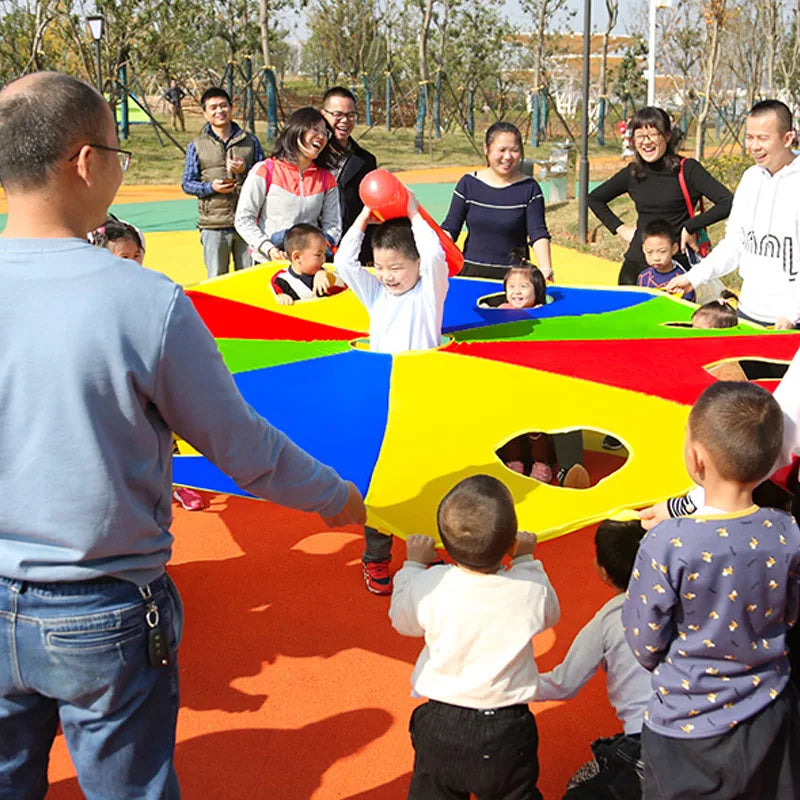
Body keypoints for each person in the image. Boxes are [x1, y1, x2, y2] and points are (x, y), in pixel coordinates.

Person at [0, 71, 366, 799]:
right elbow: (243, 449)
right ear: (84, 162)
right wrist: (339, 497)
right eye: (116, 151)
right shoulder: (143, 300)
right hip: (102, 609)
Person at [622, 382, 800, 799]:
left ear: (696, 457)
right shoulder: (788, 531)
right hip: (770, 709)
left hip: (687, 723)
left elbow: (644, 641)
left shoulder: (667, 543)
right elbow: (790, 613)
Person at [389, 474, 559, 800]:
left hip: (441, 724)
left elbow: (402, 620)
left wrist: (411, 566)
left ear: (445, 543)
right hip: (508, 727)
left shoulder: (432, 584)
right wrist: (526, 560)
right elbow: (550, 613)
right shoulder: (527, 587)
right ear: (510, 543)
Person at [334, 191, 449, 594]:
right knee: (382, 480)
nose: (387, 275)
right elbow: (344, 262)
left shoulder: (428, 296)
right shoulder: (377, 296)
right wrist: (365, 214)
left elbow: (437, 257)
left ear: (416, 264)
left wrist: (415, 213)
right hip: (382, 402)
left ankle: (425, 547)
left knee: (427, 478)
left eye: (396, 266)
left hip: (421, 399)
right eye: (380, 267)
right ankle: (377, 557)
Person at [90, 217, 208, 512]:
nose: (131, 262)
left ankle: (180, 483)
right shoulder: (94, 291)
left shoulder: (152, 286)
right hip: (114, 376)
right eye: (123, 257)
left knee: (163, 429)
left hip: (150, 371)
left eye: (135, 255)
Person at [536, 518, 650, 799]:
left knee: (578, 785)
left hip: (650, 744)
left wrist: (507, 682)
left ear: (603, 571)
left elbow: (564, 683)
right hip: (709, 732)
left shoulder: (609, 619)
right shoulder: (688, 597)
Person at [666, 100, 800, 329]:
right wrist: (694, 277)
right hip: (749, 314)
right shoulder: (750, 178)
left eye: (763, 138)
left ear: (787, 138)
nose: (754, 146)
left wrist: (791, 313)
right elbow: (735, 244)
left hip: (789, 321)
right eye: (750, 137)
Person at [588, 106, 733, 285]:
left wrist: (690, 226)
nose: (646, 142)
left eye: (653, 135)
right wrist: (620, 228)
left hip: (677, 268)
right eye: (640, 136)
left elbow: (728, 202)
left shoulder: (687, 169)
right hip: (636, 266)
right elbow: (594, 198)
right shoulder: (633, 172)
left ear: (667, 136)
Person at [441, 121, 554, 281]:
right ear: (486, 149)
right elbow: (450, 228)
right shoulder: (468, 184)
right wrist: (431, 260)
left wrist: (545, 268)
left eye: (514, 150)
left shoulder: (530, 188)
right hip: (471, 276)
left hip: (514, 280)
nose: (507, 157)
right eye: (501, 150)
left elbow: (538, 233)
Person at [235, 107, 341, 263]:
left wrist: (322, 246)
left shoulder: (327, 179)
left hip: (308, 267)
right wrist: (268, 248)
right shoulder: (265, 170)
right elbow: (244, 219)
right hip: (267, 264)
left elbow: (333, 225)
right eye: (315, 129)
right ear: (296, 130)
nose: (321, 136)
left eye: (325, 133)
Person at [182, 87, 264, 279]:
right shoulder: (197, 145)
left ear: (231, 108)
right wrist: (211, 187)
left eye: (223, 106)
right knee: (217, 279)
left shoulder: (250, 141)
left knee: (249, 279)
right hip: (214, 224)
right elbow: (187, 183)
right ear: (205, 113)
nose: (219, 111)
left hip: (247, 221)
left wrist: (245, 170)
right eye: (213, 108)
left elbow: (265, 178)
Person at [321, 86, 378, 261]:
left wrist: (370, 253)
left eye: (350, 115)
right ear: (323, 114)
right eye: (337, 115)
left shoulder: (365, 161)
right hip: (313, 249)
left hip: (350, 249)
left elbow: (368, 208)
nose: (344, 121)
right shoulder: (311, 155)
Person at [271, 223, 346, 305]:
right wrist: (281, 296)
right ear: (297, 257)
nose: (323, 259)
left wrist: (328, 277)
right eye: (318, 255)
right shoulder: (281, 280)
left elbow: (345, 286)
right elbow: (271, 296)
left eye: (324, 254)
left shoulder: (323, 273)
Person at [636, 219, 695, 302]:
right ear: (643, 249)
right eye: (649, 252)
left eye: (662, 251)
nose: (656, 258)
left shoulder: (683, 279)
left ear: (674, 249)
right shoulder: (643, 277)